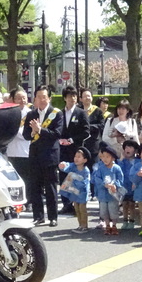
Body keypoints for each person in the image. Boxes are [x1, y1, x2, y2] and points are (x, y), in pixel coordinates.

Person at [23, 85, 63, 227]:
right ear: (35, 99)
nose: (41, 100)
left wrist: (41, 130)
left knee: (51, 188)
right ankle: (38, 216)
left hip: (50, 156)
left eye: (44, 97)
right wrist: (33, 133)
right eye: (38, 97)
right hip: (34, 156)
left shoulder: (56, 114)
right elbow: (26, 135)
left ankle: (53, 217)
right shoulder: (31, 114)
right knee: (35, 187)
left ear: (49, 98)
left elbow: (57, 134)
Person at [58, 86, 90, 215]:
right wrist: (60, 140)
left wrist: (72, 140)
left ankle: (77, 202)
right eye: (70, 96)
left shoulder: (81, 113)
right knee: (63, 176)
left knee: (76, 177)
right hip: (62, 150)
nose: (72, 99)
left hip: (76, 150)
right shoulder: (59, 113)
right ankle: (66, 204)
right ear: (65, 98)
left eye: (74, 96)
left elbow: (86, 132)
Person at [6, 88, 31, 208]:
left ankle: (28, 201)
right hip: (11, 151)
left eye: (24, 98)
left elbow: (28, 134)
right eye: (19, 98)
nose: (22, 100)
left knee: (26, 178)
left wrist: (15, 133)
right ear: (13, 99)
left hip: (26, 151)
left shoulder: (31, 113)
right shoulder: (9, 113)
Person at [92, 146, 124, 235]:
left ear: (113, 158)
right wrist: (104, 184)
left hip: (113, 194)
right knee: (104, 211)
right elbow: (97, 178)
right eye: (103, 157)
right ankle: (107, 225)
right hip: (103, 194)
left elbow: (120, 179)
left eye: (107, 157)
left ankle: (114, 225)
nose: (105, 159)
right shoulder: (101, 168)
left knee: (113, 210)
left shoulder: (116, 168)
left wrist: (115, 185)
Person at [59, 148, 91, 234]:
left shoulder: (86, 170)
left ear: (85, 160)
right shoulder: (73, 166)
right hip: (75, 191)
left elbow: (85, 182)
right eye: (75, 156)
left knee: (82, 208)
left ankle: (85, 226)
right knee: (76, 208)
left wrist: (76, 178)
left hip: (83, 192)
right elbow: (68, 166)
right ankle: (80, 225)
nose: (76, 158)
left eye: (79, 157)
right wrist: (63, 165)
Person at [80, 88, 105, 164]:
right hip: (81, 144)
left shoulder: (98, 111)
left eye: (89, 96)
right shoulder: (78, 110)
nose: (87, 98)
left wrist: (88, 127)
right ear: (80, 99)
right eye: (85, 96)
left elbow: (101, 125)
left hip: (94, 144)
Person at [119, 140, 139, 229]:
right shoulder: (122, 161)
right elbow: (118, 169)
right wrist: (121, 159)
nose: (127, 149)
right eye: (126, 147)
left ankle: (132, 220)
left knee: (132, 204)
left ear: (135, 151)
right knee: (124, 203)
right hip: (124, 185)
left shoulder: (137, 161)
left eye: (130, 147)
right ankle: (125, 220)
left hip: (133, 185)